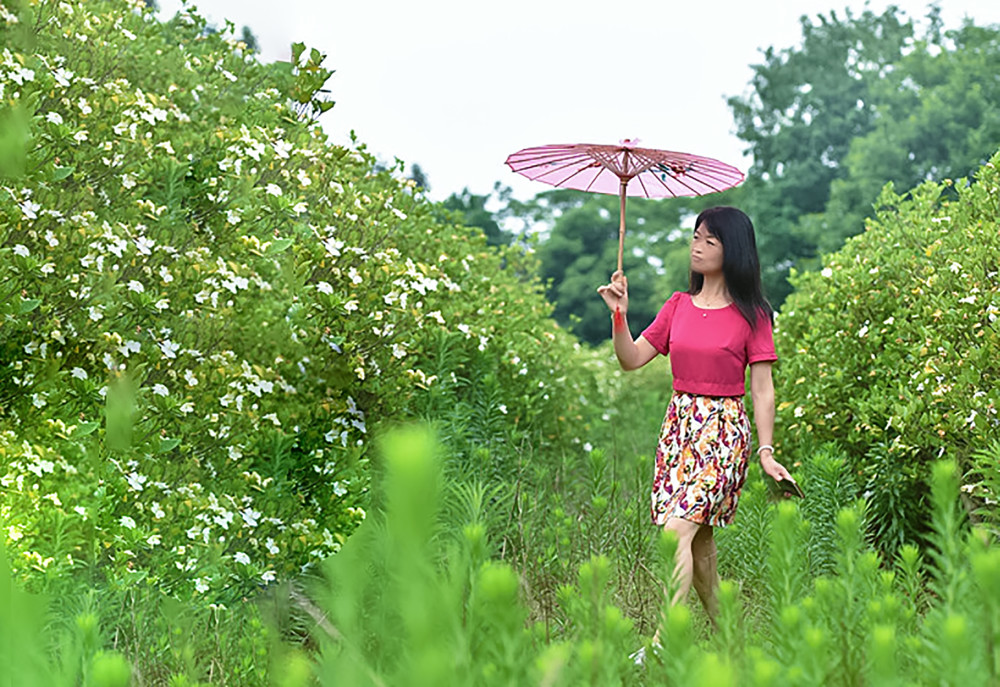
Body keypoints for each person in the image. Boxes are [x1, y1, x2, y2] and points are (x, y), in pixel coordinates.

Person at [597, 206, 796, 641]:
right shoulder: (677, 306)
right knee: (700, 548)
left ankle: (664, 644)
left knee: (677, 530)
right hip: (679, 429)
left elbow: (762, 389)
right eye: (695, 236)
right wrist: (619, 315)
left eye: (710, 240)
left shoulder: (753, 314)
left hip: (724, 432)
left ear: (734, 249)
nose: (697, 246)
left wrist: (766, 452)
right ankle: (733, 642)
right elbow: (631, 359)